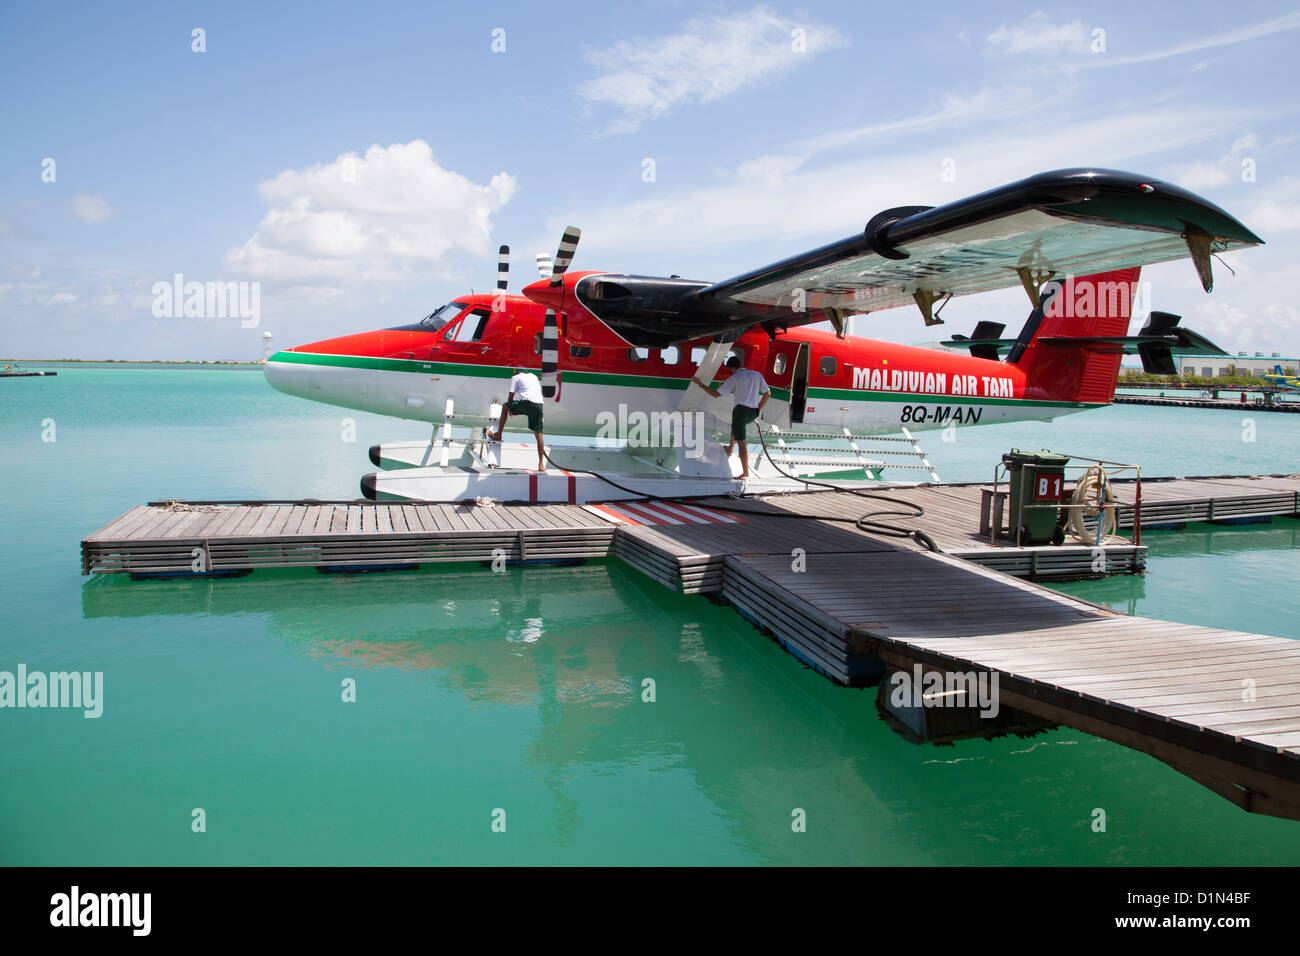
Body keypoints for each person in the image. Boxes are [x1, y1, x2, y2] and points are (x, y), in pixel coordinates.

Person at [691, 354, 770, 479]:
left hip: (740, 411)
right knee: (735, 427)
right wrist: (758, 409)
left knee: (742, 444)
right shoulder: (756, 375)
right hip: (753, 412)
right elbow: (767, 393)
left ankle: (745, 472)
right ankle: (730, 448)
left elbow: (716, 394)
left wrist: (700, 384)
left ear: (732, 368)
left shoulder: (735, 378)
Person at [487, 369, 547, 471]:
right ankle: (541, 464)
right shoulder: (533, 376)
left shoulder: (515, 378)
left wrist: (511, 409)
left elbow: (511, 396)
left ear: (516, 373)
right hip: (539, 405)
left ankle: (498, 434)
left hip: (527, 403)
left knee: (505, 406)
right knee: (539, 434)